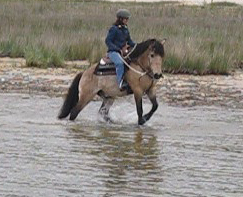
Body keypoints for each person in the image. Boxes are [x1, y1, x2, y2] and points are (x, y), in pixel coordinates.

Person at [105, 9, 135, 90]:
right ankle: (120, 83)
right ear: (120, 19)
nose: (127, 20)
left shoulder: (125, 29)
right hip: (113, 52)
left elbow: (129, 41)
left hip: (123, 52)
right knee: (120, 63)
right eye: (126, 19)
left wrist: (137, 46)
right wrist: (118, 49)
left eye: (127, 19)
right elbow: (108, 41)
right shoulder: (114, 29)